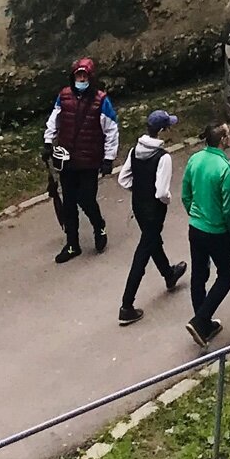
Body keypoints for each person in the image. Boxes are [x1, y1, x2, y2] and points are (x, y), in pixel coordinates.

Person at [43, 55, 117, 263]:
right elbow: (54, 120)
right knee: (68, 203)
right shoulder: (64, 96)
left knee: (86, 198)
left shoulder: (102, 101)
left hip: (90, 160)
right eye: (79, 75)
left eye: (85, 75)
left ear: (91, 77)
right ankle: (72, 243)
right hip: (66, 159)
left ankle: (98, 225)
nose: (81, 79)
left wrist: (108, 158)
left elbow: (111, 131)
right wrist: (48, 142)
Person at [116, 107, 185, 323]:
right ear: (163, 130)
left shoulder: (134, 150)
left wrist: (139, 191)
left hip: (138, 206)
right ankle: (127, 305)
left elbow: (124, 179)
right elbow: (162, 192)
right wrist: (166, 201)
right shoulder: (163, 157)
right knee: (143, 253)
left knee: (152, 240)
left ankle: (169, 274)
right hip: (154, 210)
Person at [181, 121, 230, 345]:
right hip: (217, 231)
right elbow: (228, 208)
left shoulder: (194, 159)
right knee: (227, 274)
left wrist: (195, 214)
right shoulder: (226, 168)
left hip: (195, 228)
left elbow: (186, 194)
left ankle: (203, 326)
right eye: (228, 134)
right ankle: (200, 319)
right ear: (223, 140)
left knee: (199, 274)